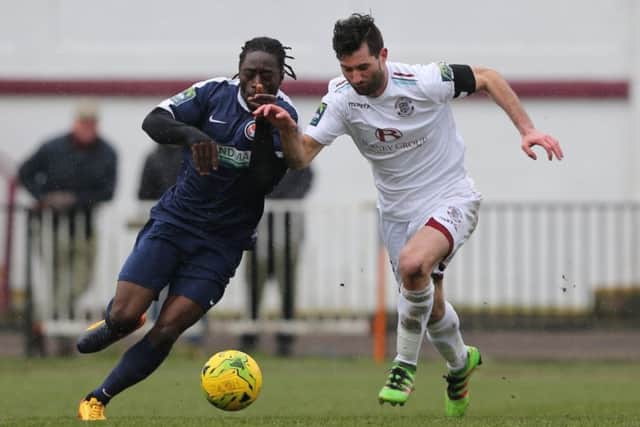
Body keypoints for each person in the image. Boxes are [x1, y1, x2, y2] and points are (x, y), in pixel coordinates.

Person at [254, 13, 563, 417]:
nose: (356, 77)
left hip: (451, 197)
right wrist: (285, 130)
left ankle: (403, 366)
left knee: (413, 264)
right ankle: (459, 364)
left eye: (363, 67)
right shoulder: (342, 100)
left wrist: (527, 130)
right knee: (429, 305)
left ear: (383, 55)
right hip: (398, 215)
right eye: (347, 69)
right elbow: (301, 158)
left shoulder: (423, 80)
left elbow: (487, 76)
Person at [75, 36, 298, 421]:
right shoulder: (213, 93)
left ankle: (98, 398)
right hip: (176, 221)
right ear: (239, 71)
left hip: (222, 243)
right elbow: (154, 121)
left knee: (168, 329)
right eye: (250, 73)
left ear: (281, 76)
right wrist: (193, 135)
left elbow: (262, 181)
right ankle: (119, 321)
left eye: (267, 75)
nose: (257, 83)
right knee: (129, 316)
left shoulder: (285, 117)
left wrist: (263, 126)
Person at [18, 101, 117, 322]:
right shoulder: (52, 147)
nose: (88, 128)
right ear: (75, 123)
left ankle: (48, 319)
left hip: (85, 227)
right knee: (54, 279)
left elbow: (108, 191)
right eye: (84, 123)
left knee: (82, 280)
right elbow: (25, 172)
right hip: (50, 226)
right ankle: (56, 330)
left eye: (92, 123)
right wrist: (44, 198)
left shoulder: (107, 152)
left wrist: (75, 200)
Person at [242, 166, 313, 356]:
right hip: (258, 233)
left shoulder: (298, 157)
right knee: (254, 286)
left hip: (288, 233)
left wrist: (275, 200)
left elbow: (304, 184)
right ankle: (249, 335)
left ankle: (286, 338)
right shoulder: (258, 153)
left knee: (287, 287)